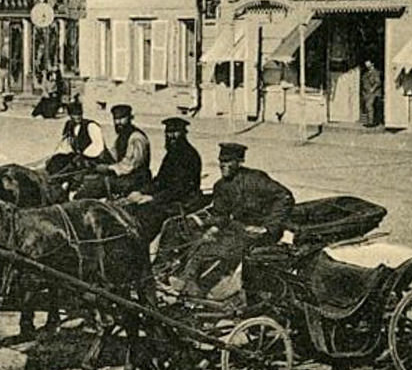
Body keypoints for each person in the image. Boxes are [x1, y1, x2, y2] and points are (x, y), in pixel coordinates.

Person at [172, 143, 295, 297]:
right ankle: (188, 282)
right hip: (238, 228)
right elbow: (221, 214)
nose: (223, 166)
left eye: (228, 162)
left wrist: (268, 227)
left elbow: (285, 197)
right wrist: (212, 229)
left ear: (239, 161)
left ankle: (199, 286)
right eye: (221, 162)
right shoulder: (221, 186)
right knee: (200, 242)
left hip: (260, 232)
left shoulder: (255, 179)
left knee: (222, 248)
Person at [128, 118, 204, 243]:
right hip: (170, 196)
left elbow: (181, 188)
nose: (171, 136)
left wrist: (153, 198)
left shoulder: (189, 155)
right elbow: (160, 180)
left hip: (185, 200)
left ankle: (145, 248)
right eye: (168, 132)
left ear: (184, 133)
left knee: (149, 213)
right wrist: (140, 192)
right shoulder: (172, 154)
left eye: (175, 132)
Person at [91, 104, 151, 197]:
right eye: (116, 119)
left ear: (130, 118)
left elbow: (129, 165)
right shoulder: (122, 136)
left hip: (136, 180)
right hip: (125, 178)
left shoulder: (136, 138)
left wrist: (107, 168)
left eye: (122, 118)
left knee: (95, 186)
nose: (118, 122)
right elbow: (114, 155)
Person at [360, 59, 382, 127]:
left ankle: (371, 122)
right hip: (366, 92)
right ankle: (368, 121)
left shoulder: (375, 73)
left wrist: (373, 89)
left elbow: (378, 82)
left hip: (372, 92)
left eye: (368, 64)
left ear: (372, 64)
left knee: (369, 106)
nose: (367, 65)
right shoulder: (366, 73)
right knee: (367, 106)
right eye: (366, 64)